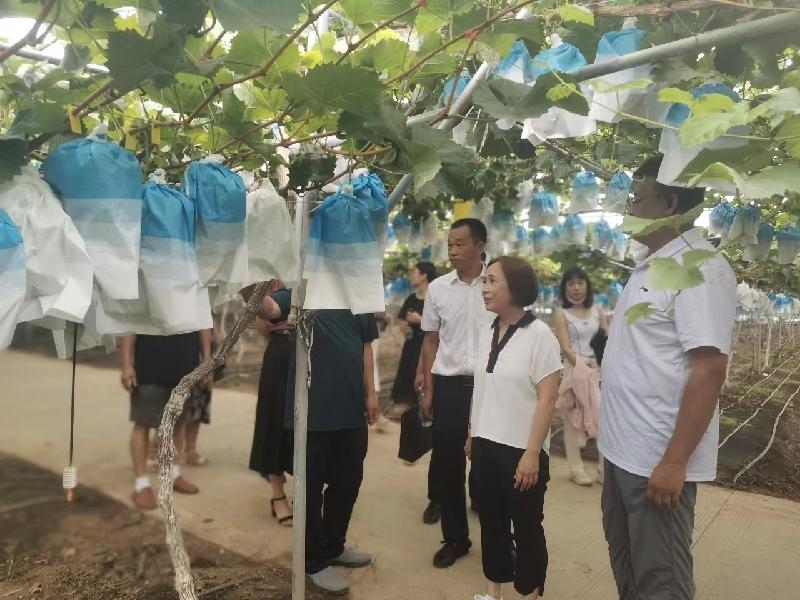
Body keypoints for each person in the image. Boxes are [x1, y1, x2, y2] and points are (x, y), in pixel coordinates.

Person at [598, 155, 736, 600]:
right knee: (628, 563)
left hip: (654, 459)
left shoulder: (698, 266)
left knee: (662, 578)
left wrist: (675, 461)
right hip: (622, 451)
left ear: (670, 204)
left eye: (639, 200)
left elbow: (710, 367)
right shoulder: (651, 263)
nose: (630, 209)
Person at [468, 257, 562, 600]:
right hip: (485, 444)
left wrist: (532, 453)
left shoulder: (540, 336)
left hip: (522, 451)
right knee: (491, 522)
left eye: (492, 281)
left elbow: (547, 400)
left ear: (516, 287)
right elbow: (482, 389)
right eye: (484, 281)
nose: (485, 288)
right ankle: (493, 592)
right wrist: (471, 435)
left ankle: (530, 594)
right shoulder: (486, 331)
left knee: (525, 528)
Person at [284, 308, 380, 595]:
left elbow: (366, 348)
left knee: (348, 483)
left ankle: (333, 546)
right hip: (310, 417)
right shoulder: (304, 291)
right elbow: (269, 309)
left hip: (350, 412)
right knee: (309, 489)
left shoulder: (359, 297)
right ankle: (312, 560)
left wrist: (371, 393)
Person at [420, 218, 493, 568]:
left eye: (460, 243)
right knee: (448, 465)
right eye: (450, 243)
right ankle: (456, 539)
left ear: (480, 246)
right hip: (449, 386)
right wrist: (429, 388)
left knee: (491, 464)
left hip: (490, 387)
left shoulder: (496, 284)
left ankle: (498, 541)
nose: (452, 250)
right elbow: (431, 339)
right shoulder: (437, 288)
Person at [120, 332, 208, 510]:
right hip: (148, 361)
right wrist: (126, 364)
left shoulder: (196, 301)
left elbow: (203, 321)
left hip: (185, 362)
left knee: (178, 422)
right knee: (142, 422)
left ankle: (172, 474)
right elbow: (128, 323)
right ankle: (141, 484)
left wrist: (208, 360)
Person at [552, 267, 608, 486]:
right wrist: (581, 366)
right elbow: (565, 346)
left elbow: (606, 338)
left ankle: (605, 470)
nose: (576, 288)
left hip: (598, 372)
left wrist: (601, 366)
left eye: (580, 283)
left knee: (603, 419)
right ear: (565, 288)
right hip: (575, 371)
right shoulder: (561, 314)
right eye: (571, 284)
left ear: (587, 285)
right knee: (572, 421)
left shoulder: (598, 310)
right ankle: (576, 469)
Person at [248, 281, 295, 527]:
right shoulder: (274, 284)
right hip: (281, 359)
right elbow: (262, 326)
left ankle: (306, 493)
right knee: (274, 422)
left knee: (308, 430)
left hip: (313, 359)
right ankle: (278, 497)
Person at [390, 262, 438, 413]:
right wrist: (403, 327)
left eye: (414, 272)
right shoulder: (411, 299)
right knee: (408, 381)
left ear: (424, 275)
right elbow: (401, 321)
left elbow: (442, 324)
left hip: (427, 347)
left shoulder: (435, 298)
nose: (411, 275)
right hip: (410, 346)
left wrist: (420, 320)